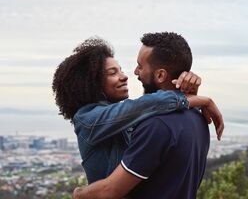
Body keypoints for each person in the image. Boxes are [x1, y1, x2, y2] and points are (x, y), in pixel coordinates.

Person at [52, 36, 223, 185]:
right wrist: (190, 99)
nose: (125, 76)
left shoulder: (128, 120)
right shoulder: (87, 119)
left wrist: (186, 89)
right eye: (113, 73)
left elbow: (147, 111)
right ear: (92, 83)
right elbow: (139, 106)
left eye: (121, 70)